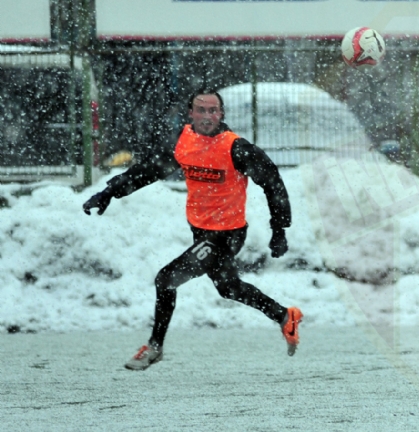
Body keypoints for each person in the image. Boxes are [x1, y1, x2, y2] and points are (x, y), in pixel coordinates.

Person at [82, 90, 303, 371]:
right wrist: (109, 192)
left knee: (166, 280)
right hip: (201, 233)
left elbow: (272, 180)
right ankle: (285, 316)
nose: (207, 116)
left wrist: (280, 228)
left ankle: (154, 348)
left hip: (226, 235)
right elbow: (150, 171)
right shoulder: (185, 143)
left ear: (221, 115)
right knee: (229, 288)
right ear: (191, 113)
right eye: (201, 110)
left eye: (213, 111)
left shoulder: (235, 148)